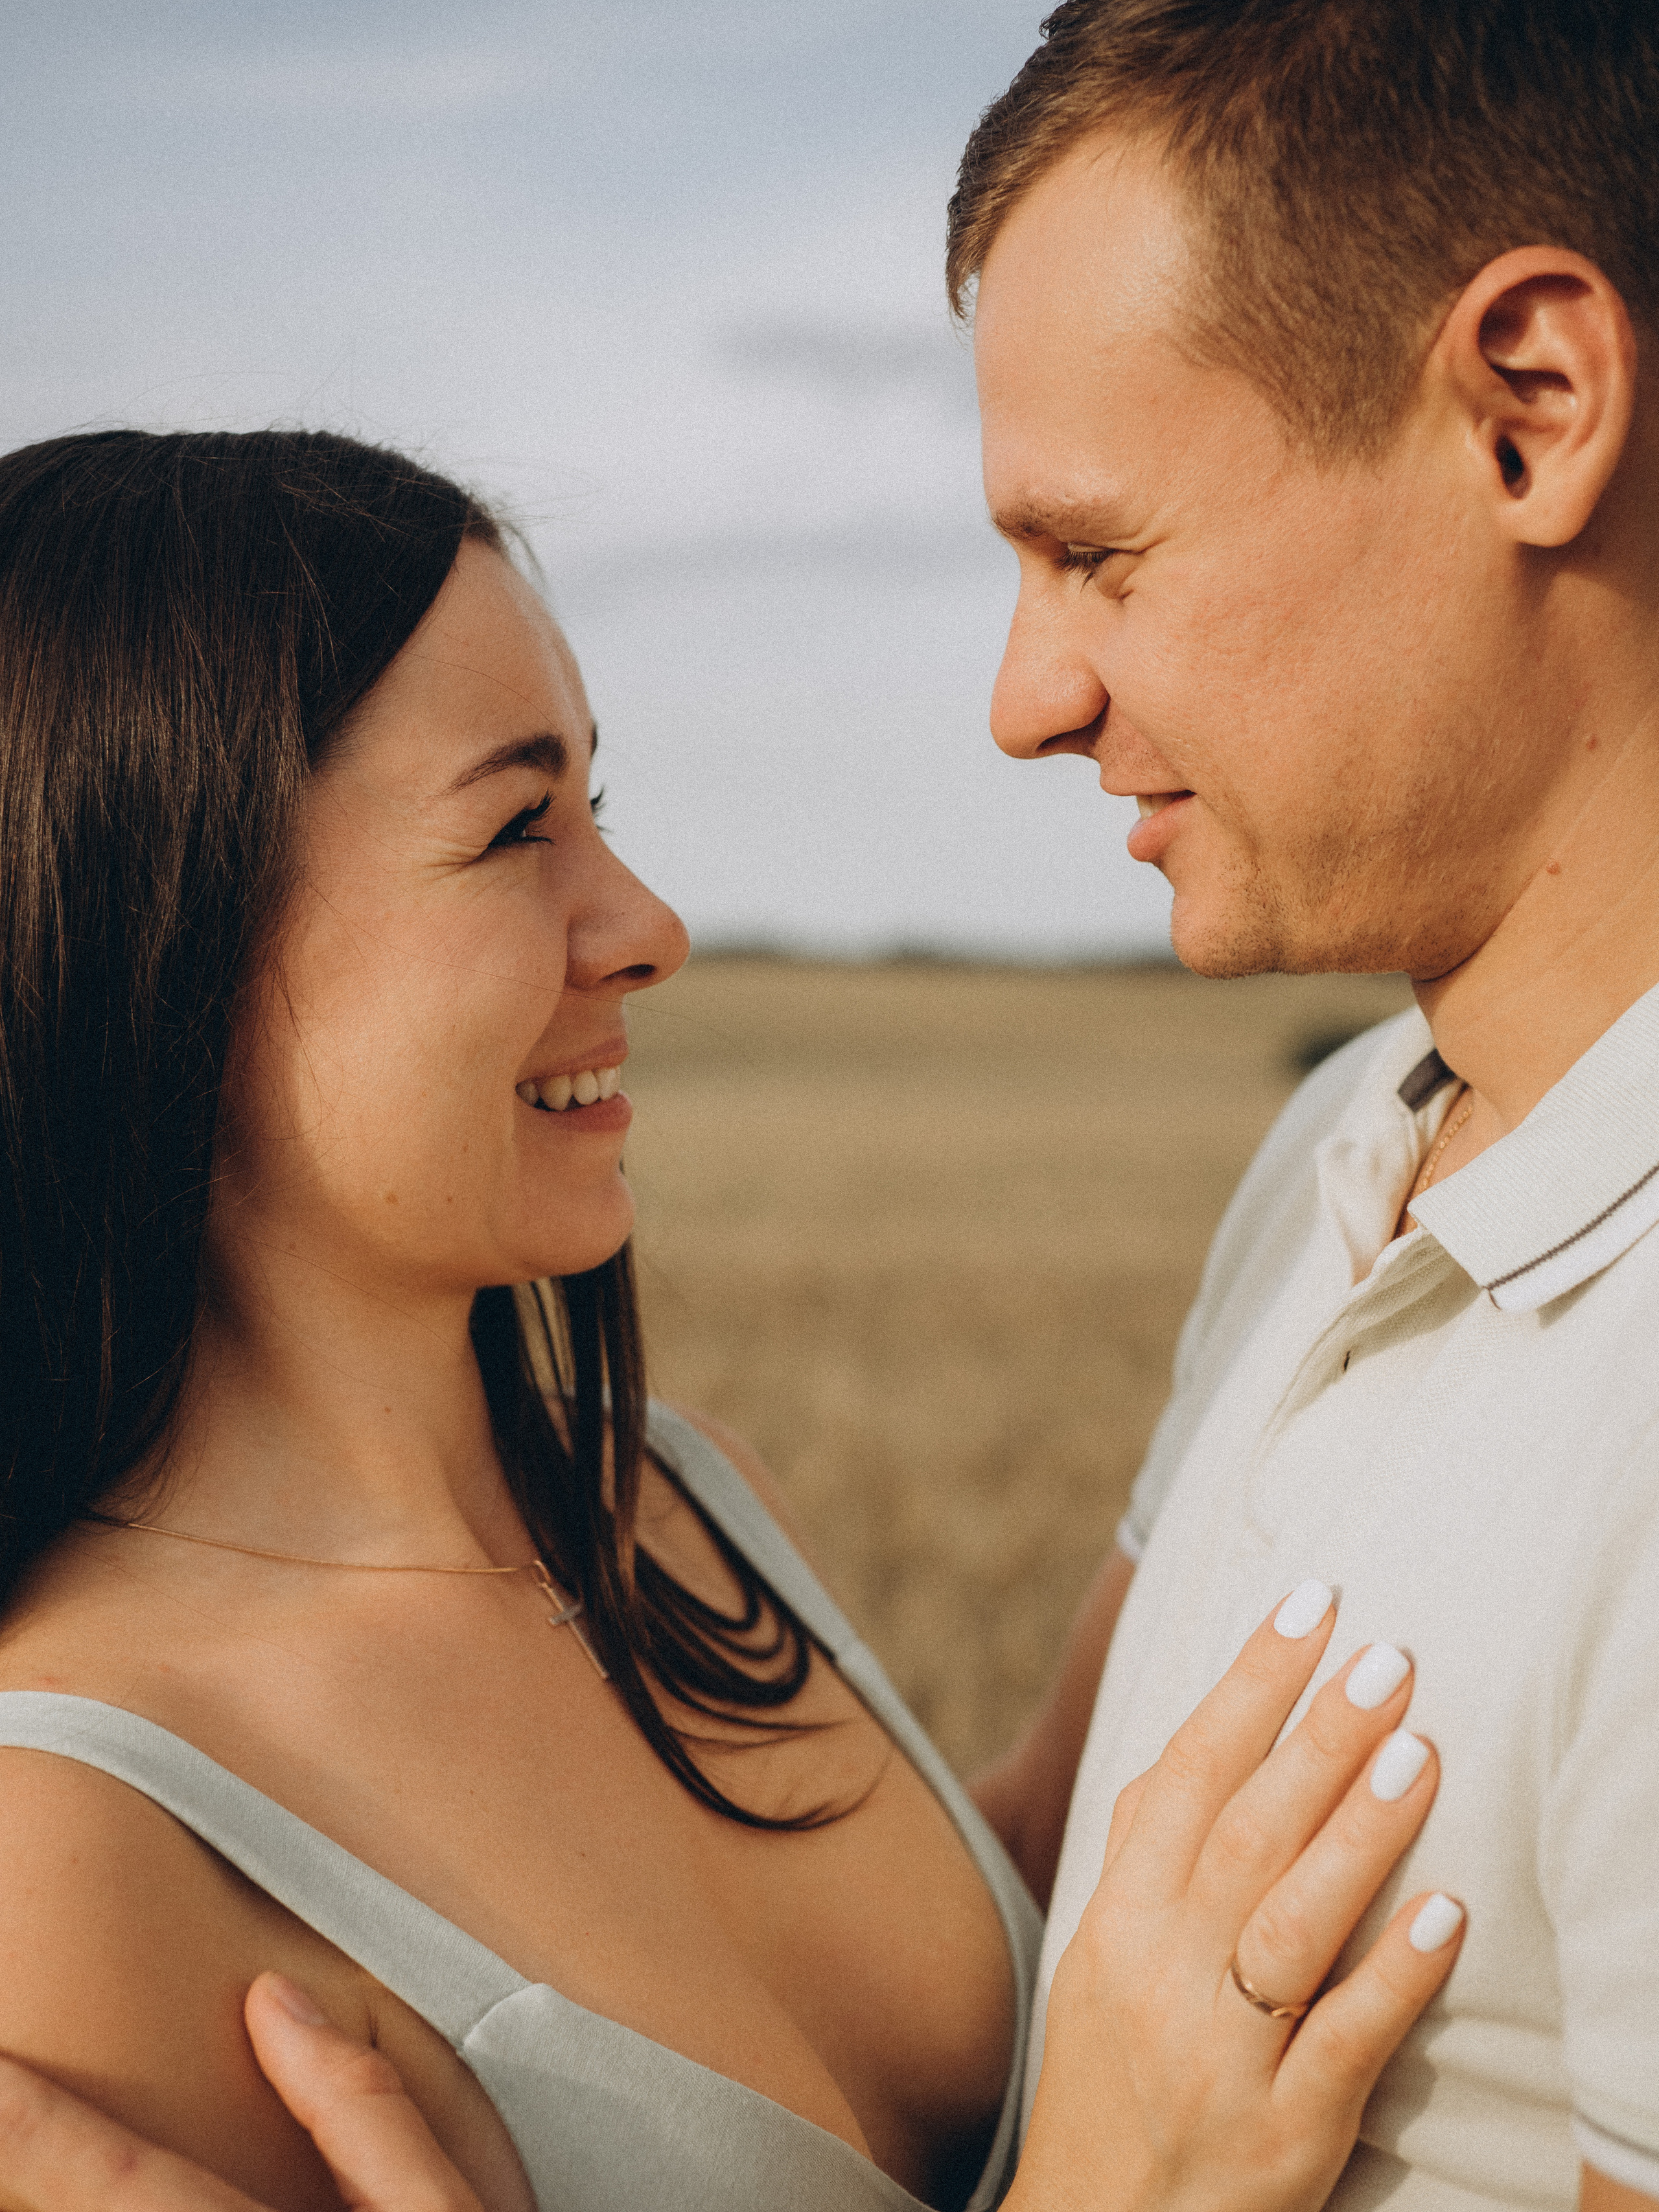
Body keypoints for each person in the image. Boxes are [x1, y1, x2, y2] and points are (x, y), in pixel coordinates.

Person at [0, 426, 1459, 2212]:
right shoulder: (66, 1861)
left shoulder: (675, 1508)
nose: (648, 925)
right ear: (167, 950)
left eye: (595, 809)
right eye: (514, 826)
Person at [944, 1, 1659, 2209]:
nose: (1025, 697)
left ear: (1530, 410)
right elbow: (1036, 1915)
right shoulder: (1353, 1132)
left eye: (1100, 553)